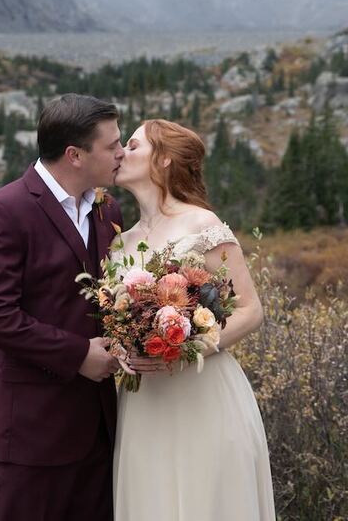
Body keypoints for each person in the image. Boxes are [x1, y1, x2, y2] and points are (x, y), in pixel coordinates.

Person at [0, 94, 126, 521]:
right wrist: (78, 356)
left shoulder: (108, 210)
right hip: (33, 429)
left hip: (101, 425)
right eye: (112, 146)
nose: (122, 153)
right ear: (74, 155)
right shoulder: (4, 211)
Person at [111, 118, 275, 520]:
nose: (120, 153)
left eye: (133, 146)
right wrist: (120, 348)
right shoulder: (119, 242)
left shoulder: (202, 224)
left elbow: (251, 310)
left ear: (164, 159)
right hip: (144, 401)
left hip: (203, 394)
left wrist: (188, 348)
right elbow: (112, 319)